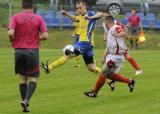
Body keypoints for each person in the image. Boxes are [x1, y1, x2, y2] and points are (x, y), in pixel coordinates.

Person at [41, 0, 102, 74]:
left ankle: (49, 67)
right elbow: (75, 18)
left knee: (68, 54)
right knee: (91, 67)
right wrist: (66, 14)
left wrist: (91, 17)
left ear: (85, 6)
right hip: (86, 44)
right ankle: (109, 77)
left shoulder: (90, 13)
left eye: (80, 8)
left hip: (85, 42)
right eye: (77, 8)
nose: (79, 10)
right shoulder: (80, 16)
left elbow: (100, 14)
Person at [8, 0, 48, 112]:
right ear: (33, 6)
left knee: (22, 78)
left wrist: (12, 40)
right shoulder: (38, 18)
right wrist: (37, 37)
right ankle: (26, 101)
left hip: (19, 51)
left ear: (22, 5)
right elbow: (45, 36)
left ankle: (25, 106)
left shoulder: (15, 17)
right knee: (33, 78)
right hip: (32, 51)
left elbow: (10, 33)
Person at [84, 16, 135, 97]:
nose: (104, 25)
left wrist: (121, 33)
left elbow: (122, 32)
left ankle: (94, 93)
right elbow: (109, 47)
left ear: (107, 23)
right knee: (109, 75)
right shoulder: (110, 32)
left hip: (116, 57)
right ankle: (130, 82)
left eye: (105, 23)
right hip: (113, 56)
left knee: (103, 73)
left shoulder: (115, 28)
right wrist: (104, 57)